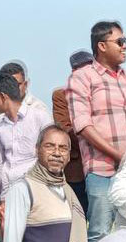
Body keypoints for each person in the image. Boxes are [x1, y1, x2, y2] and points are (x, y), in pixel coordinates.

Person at [66, 20, 126, 242]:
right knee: (100, 233)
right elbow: (83, 126)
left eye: (125, 42)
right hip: (101, 170)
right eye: (120, 42)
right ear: (101, 46)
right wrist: (117, 155)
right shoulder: (82, 78)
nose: (125, 46)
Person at [0, 74, 52, 242]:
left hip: (36, 192)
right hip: (8, 196)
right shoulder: (0, 128)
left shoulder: (39, 117)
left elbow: (50, 154)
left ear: (3, 97)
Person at [52, 50, 94, 214]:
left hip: (102, 168)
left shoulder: (101, 94)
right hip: (76, 170)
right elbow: (65, 128)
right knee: (76, 217)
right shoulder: (61, 95)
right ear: (73, 72)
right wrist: (95, 140)